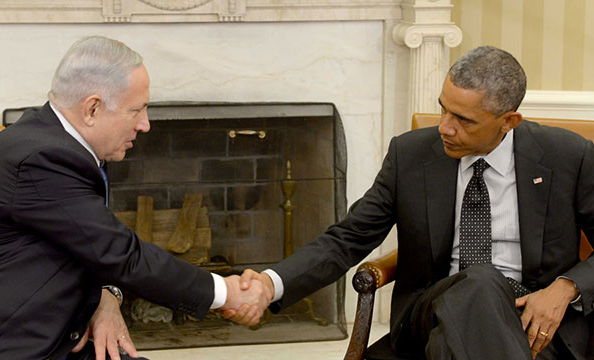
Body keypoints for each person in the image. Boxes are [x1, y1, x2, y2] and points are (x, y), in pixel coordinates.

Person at [227, 46, 592, 359]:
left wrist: (565, 287)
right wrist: (270, 283)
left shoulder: (567, 157)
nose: (445, 127)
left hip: (532, 319)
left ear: (508, 121)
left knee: (450, 346)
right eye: (443, 109)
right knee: (481, 282)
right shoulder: (412, 155)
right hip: (431, 309)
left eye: (463, 119)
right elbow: (348, 238)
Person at [0, 36, 270, 360]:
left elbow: (88, 242)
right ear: (92, 108)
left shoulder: (66, 143)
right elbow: (121, 254)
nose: (145, 124)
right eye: (137, 110)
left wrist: (108, 294)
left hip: (48, 334)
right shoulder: (43, 159)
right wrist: (225, 293)